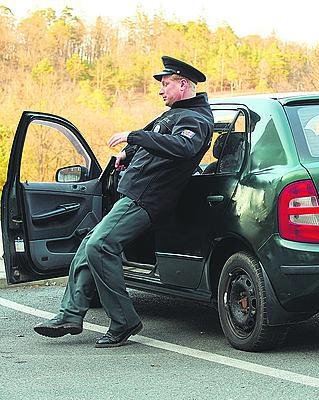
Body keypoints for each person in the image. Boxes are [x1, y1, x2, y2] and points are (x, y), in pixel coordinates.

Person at [33, 56, 214, 348]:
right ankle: (69, 314)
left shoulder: (195, 118)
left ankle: (124, 321)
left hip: (146, 200)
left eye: (166, 84)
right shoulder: (173, 114)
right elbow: (154, 139)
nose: (161, 90)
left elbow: (183, 146)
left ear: (183, 84)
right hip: (134, 195)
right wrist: (127, 153)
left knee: (100, 246)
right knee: (88, 247)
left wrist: (134, 136)